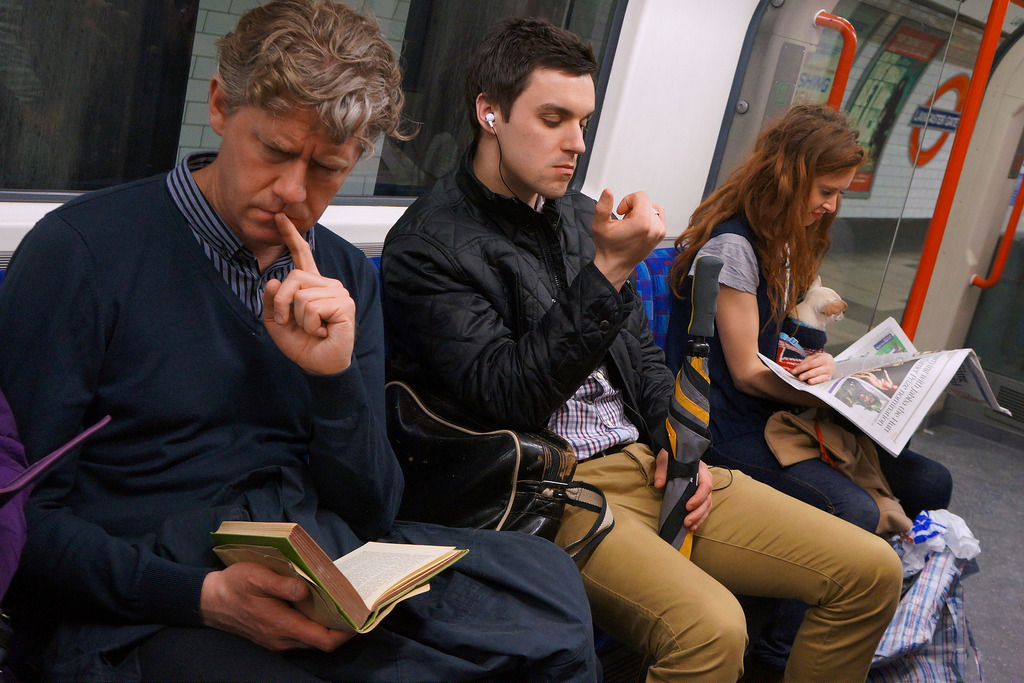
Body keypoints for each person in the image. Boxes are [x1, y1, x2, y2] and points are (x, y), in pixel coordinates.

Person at [0, 2, 599, 680]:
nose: (291, 191)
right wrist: (199, 597)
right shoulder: (80, 254)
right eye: (276, 152)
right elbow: (22, 517)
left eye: (327, 169)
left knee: (548, 600)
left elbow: (373, 510)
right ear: (220, 105)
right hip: (143, 595)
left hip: (308, 559)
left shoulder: (342, 273)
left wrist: (333, 380)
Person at [382, 17, 903, 683]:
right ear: (490, 113)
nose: (576, 143)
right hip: (546, 484)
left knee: (871, 570)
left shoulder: (579, 218)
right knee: (713, 631)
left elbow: (644, 361)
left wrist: (681, 446)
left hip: (642, 459)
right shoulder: (429, 244)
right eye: (553, 119)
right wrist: (607, 273)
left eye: (583, 121)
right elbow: (507, 396)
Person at [667, 103, 953, 671]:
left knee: (929, 481)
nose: (832, 206)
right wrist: (832, 392)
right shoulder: (733, 248)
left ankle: (857, 620)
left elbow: (775, 343)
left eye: (839, 193)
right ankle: (776, 657)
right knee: (852, 509)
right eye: (825, 191)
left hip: (778, 417)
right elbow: (746, 371)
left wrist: (826, 365)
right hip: (724, 423)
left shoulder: (783, 239)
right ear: (787, 176)